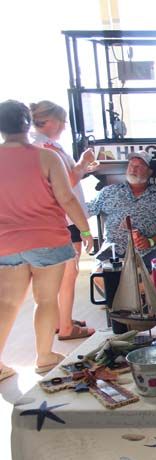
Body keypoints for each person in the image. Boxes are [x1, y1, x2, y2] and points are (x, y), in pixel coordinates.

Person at [0, 100, 93, 379]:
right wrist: (86, 231)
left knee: (6, 303)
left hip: (7, 243)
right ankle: (44, 357)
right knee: (46, 300)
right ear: (27, 123)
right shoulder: (46, 157)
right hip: (48, 240)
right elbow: (66, 198)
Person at [29, 100, 96, 341]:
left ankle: (61, 319)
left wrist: (81, 168)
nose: (65, 126)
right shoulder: (48, 148)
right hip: (65, 219)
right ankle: (66, 327)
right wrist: (83, 163)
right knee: (70, 271)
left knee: (59, 274)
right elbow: (66, 183)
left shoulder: (35, 145)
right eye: (63, 121)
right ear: (53, 121)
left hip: (50, 218)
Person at [87, 151, 156, 270]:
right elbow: (86, 210)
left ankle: (141, 288)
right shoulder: (109, 191)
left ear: (149, 172)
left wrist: (150, 242)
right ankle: (135, 287)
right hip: (115, 249)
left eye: (139, 166)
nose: (133, 169)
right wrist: (84, 232)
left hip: (149, 251)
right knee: (100, 274)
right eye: (131, 165)